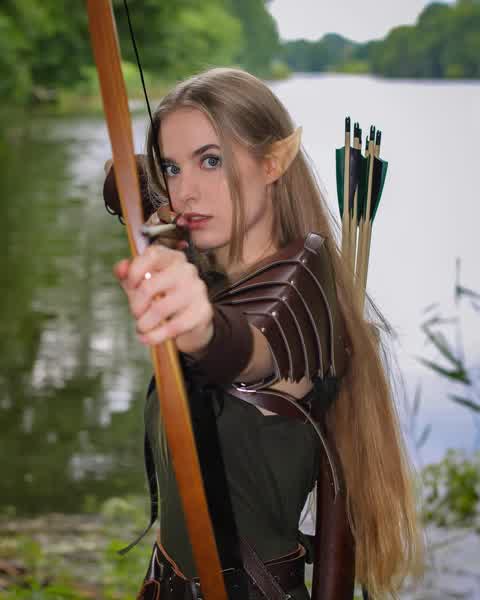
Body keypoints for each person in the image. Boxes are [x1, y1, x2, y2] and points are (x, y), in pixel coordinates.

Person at [104, 68, 424, 599]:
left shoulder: (299, 296)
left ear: (273, 163)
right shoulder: (214, 255)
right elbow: (133, 183)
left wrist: (198, 325)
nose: (186, 191)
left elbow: (247, 346)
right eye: (172, 168)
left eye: (212, 160)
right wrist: (138, 186)